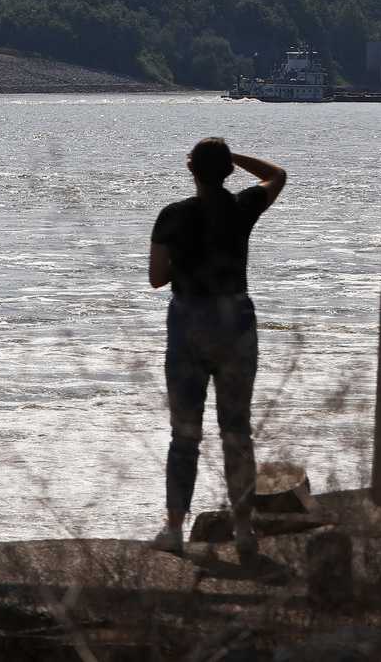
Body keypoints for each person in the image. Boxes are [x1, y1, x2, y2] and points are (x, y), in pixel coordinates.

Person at [147, 137, 286, 557]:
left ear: (190, 169)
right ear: (227, 171)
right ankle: (244, 531)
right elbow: (276, 175)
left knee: (184, 435)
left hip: (189, 320)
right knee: (237, 431)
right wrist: (235, 156)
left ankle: (173, 529)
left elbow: (156, 278)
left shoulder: (172, 216)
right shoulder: (241, 207)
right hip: (236, 322)